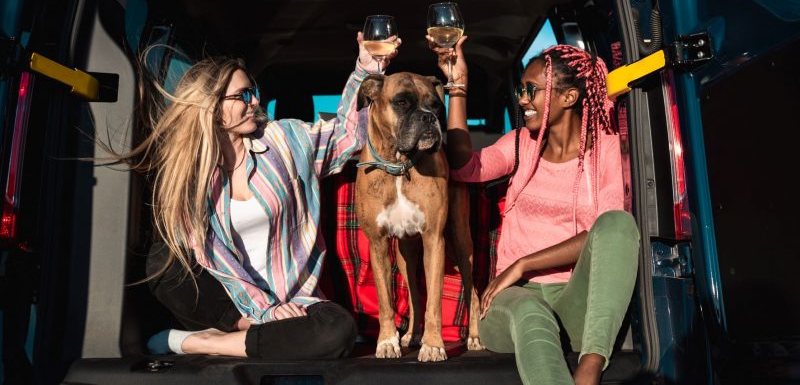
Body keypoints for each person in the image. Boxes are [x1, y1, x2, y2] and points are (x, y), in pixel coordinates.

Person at [117, 33, 397, 359]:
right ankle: (244, 331)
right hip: (230, 304)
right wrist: (260, 313)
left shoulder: (285, 140)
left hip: (293, 303)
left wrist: (365, 69)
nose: (254, 102)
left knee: (339, 330)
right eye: (243, 95)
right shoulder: (188, 177)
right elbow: (208, 261)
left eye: (254, 93)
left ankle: (203, 342)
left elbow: (346, 136)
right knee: (163, 261)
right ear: (212, 107)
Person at [428, 36, 639, 385]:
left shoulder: (606, 149)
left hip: (572, 303)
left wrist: (525, 262)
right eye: (521, 89)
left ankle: (590, 365)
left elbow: (601, 234)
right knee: (530, 310)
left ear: (568, 97)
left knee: (618, 224)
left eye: (531, 90)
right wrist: (458, 87)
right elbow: (464, 167)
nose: (522, 99)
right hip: (511, 304)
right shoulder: (520, 144)